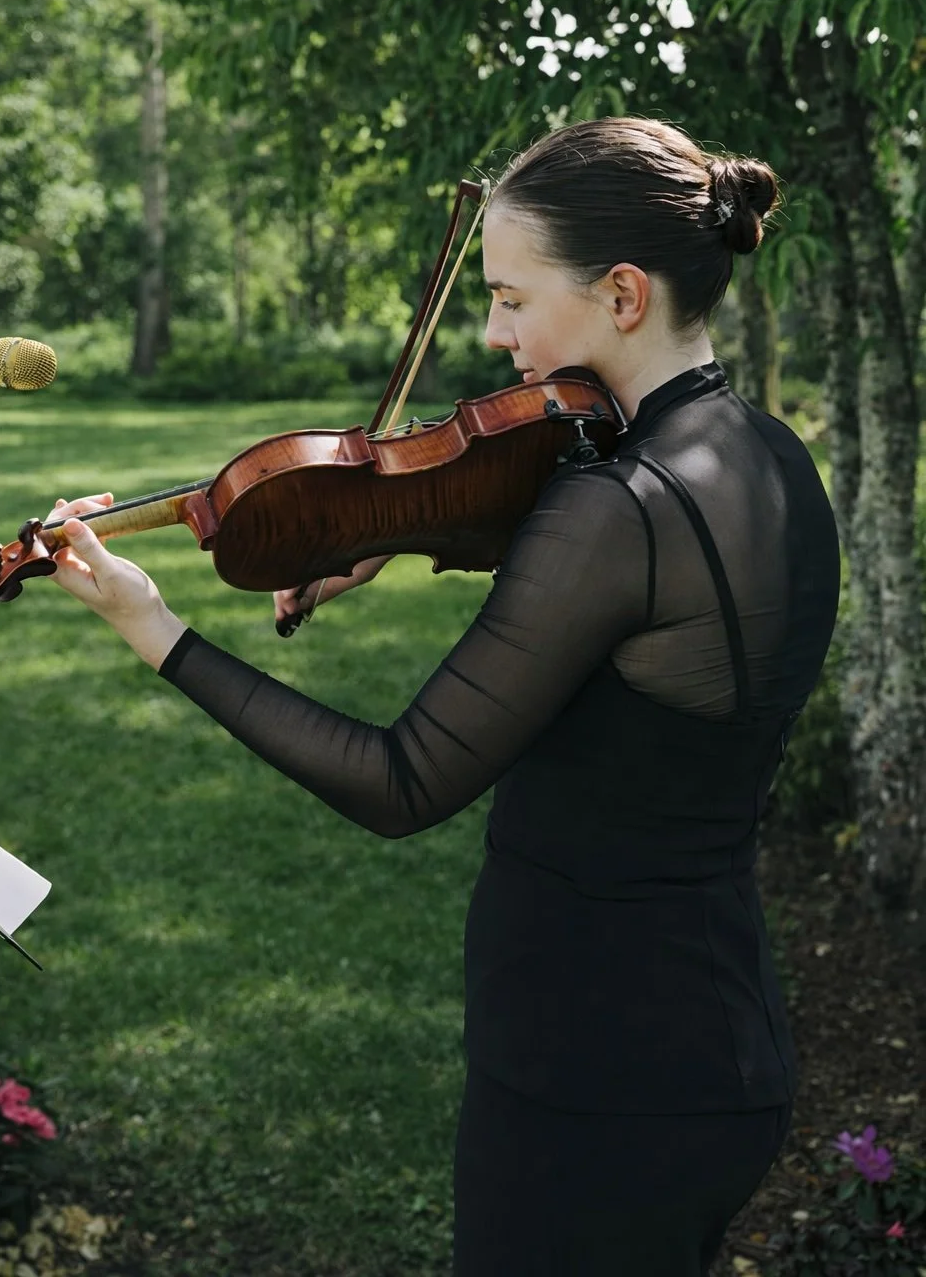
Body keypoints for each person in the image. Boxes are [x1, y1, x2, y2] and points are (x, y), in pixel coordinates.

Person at [46, 117, 840, 1277]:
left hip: (588, 1077)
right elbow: (657, 611)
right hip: (718, 1052)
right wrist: (414, 528)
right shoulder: (764, 459)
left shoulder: (612, 510)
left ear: (622, 294)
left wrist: (154, 630)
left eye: (513, 298)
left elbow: (401, 780)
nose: (491, 331)